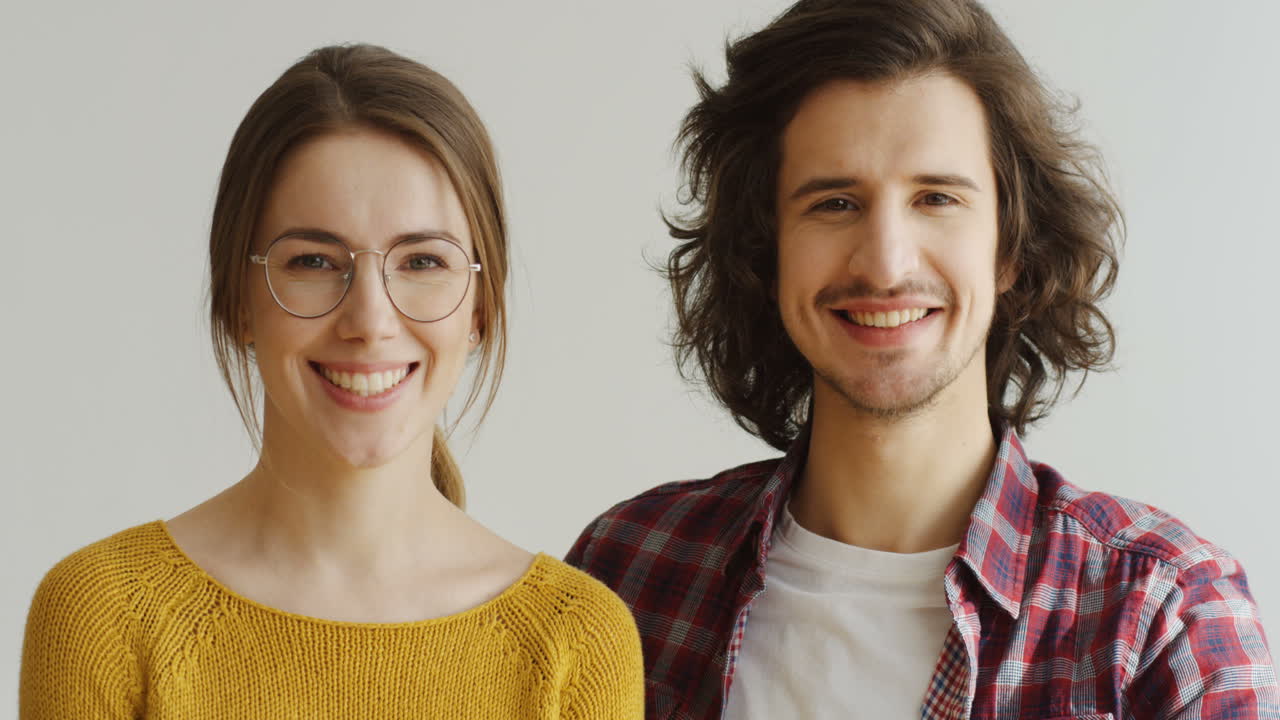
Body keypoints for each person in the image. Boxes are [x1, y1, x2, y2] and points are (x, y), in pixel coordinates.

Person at [566, 1, 1279, 718]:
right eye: (836, 203)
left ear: (1009, 248)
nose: (885, 263)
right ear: (767, 248)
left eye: (936, 198)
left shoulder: (1165, 615)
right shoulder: (629, 569)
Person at [21, 44, 643, 720]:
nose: (369, 320)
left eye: (423, 261)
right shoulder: (104, 613)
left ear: (481, 308)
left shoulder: (576, 637)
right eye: (314, 260)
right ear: (239, 298)